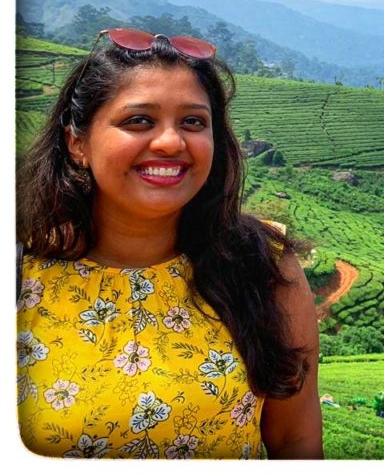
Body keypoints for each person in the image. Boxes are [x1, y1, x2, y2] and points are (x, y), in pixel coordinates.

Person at [16, 28, 323, 459]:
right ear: (78, 143)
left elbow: (296, 441)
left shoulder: (264, 266)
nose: (170, 142)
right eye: (138, 120)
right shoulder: (22, 270)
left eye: (193, 122)